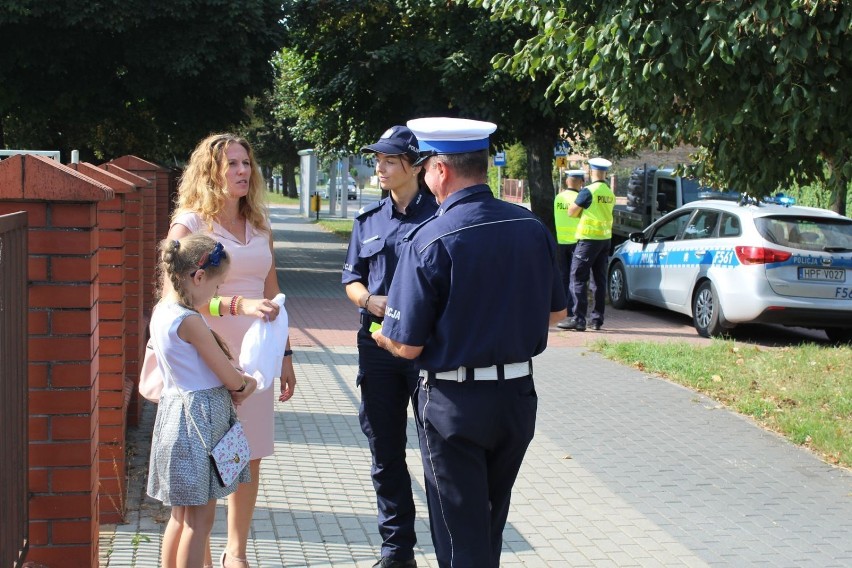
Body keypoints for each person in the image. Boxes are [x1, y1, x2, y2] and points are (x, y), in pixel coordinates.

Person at [371, 117, 567, 568]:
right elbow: (558, 312)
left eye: (424, 167)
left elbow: (407, 345)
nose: (423, 176)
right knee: (488, 530)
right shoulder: (530, 226)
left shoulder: (428, 238)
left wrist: (384, 339)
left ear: (440, 170)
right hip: (516, 398)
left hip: (453, 404)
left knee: (462, 543)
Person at [167, 133, 297, 568]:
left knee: (249, 452)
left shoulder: (260, 222)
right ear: (211, 172)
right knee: (204, 459)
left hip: (257, 357)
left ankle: (235, 554)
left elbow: (274, 295)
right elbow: (177, 295)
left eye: (247, 163)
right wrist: (236, 304)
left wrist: (286, 357)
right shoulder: (191, 224)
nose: (243, 171)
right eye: (232, 165)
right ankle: (197, 556)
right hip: (207, 355)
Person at [342, 125, 438, 568]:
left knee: (438, 451)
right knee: (385, 450)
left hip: (427, 349)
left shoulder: (440, 217)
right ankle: (397, 551)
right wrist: (367, 298)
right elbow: (351, 277)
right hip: (377, 347)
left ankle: (449, 547)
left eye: (389, 160)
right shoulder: (368, 221)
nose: (379, 167)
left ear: (414, 165)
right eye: (376, 159)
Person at [147, 234, 258, 568]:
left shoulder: (162, 311)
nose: (216, 294)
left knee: (181, 518)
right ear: (198, 277)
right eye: (217, 285)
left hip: (174, 419)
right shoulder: (191, 322)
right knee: (200, 523)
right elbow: (229, 377)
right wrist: (247, 382)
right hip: (199, 424)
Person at [560, 157, 615, 332]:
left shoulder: (588, 191)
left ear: (591, 172)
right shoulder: (609, 192)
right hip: (605, 239)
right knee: (598, 280)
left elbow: (571, 211)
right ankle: (597, 320)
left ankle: (578, 319)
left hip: (588, 240)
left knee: (577, 277)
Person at [554, 169, 585, 328]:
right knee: (576, 277)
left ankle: (561, 307)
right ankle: (573, 310)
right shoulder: (579, 198)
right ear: (581, 182)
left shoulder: (558, 198)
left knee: (563, 276)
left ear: (567, 181)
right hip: (576, 242)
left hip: (561, 242)